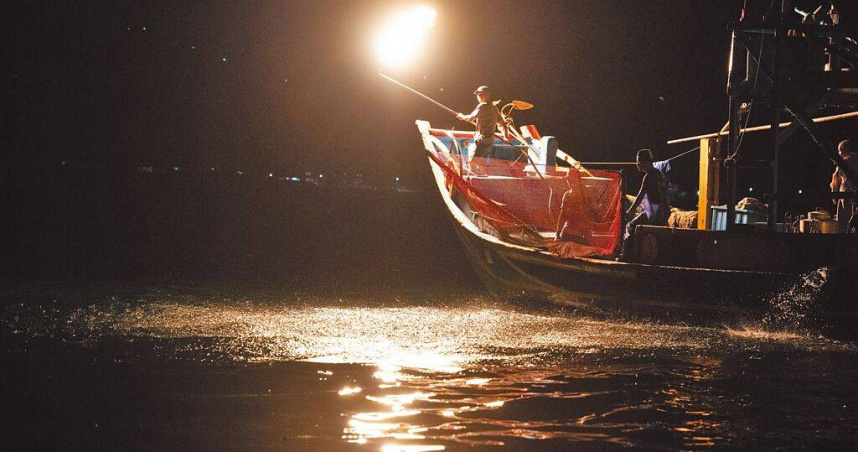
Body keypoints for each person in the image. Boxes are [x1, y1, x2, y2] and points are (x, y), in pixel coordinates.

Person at [619, 149, 670, 260]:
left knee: (630, 226)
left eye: (639, 162)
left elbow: (639, 197)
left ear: (646, 162)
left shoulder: (649, 177)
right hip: (661, 214)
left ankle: (626, 257)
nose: (637, 164)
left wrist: (629, 211)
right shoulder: (659, 174)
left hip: (653, 215)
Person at [456, 85, 504, 160]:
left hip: (482, 141)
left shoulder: (482, 106)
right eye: (478, 94)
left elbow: (470, 118)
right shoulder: (494, 107)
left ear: (488, 94)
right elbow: (502, 123)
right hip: (490, 142)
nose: (479, 96)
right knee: (482, 163)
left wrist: (461, 116)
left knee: (473, 163)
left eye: (481, 94)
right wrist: (506, 135)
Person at [830, 139, 858, 230]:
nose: (839, 153)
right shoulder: (841, 162)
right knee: (842, 220)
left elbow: (837, 175)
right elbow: (835, 178)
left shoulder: (852, 159)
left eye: (840, 150)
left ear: (846, 149)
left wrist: (834, 192)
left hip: (850, 193)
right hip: (843, 193)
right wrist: (834, 192)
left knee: (848, 218)